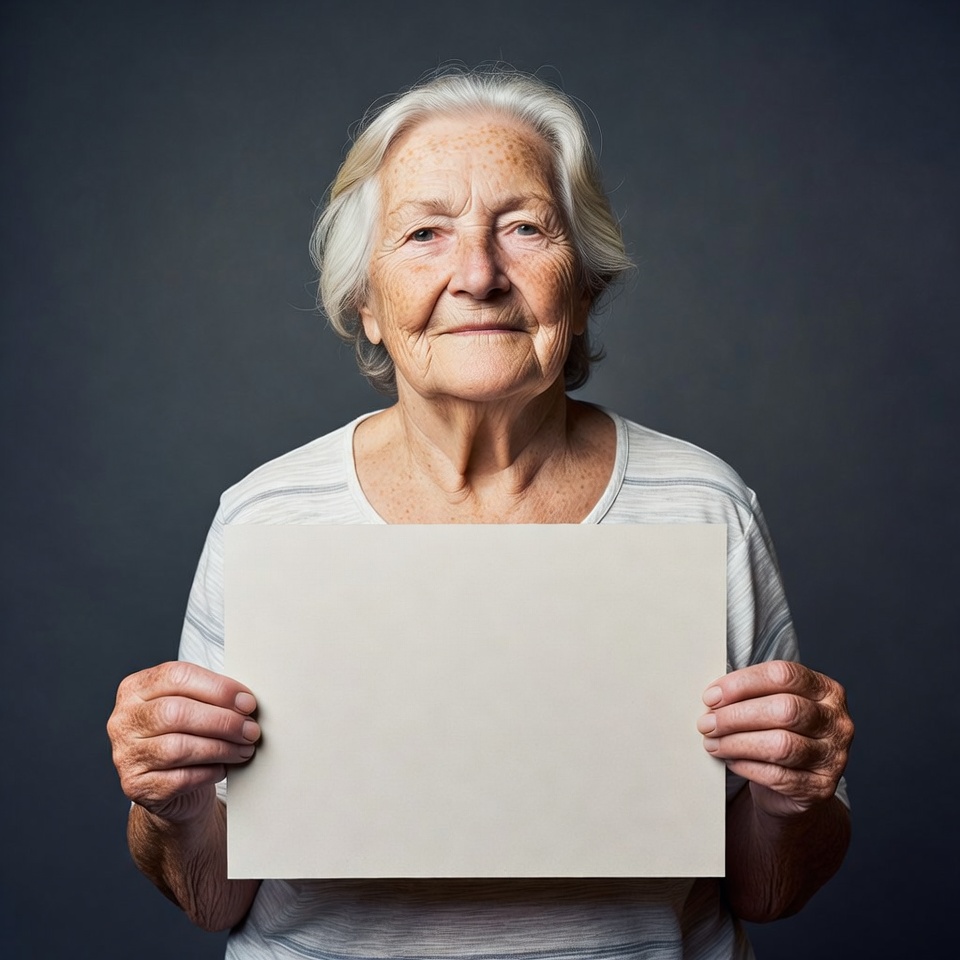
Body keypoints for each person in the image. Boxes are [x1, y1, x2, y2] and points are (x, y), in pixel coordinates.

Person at [107, 66, 853, 959]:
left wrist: (793, 793)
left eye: (523, 228)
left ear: (581, 292)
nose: (477, 275)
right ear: (366, 305)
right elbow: (212, 901)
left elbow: (768, 893)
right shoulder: (267, 517)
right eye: (424, 233)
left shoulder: (701, 506)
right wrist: (173, 804)